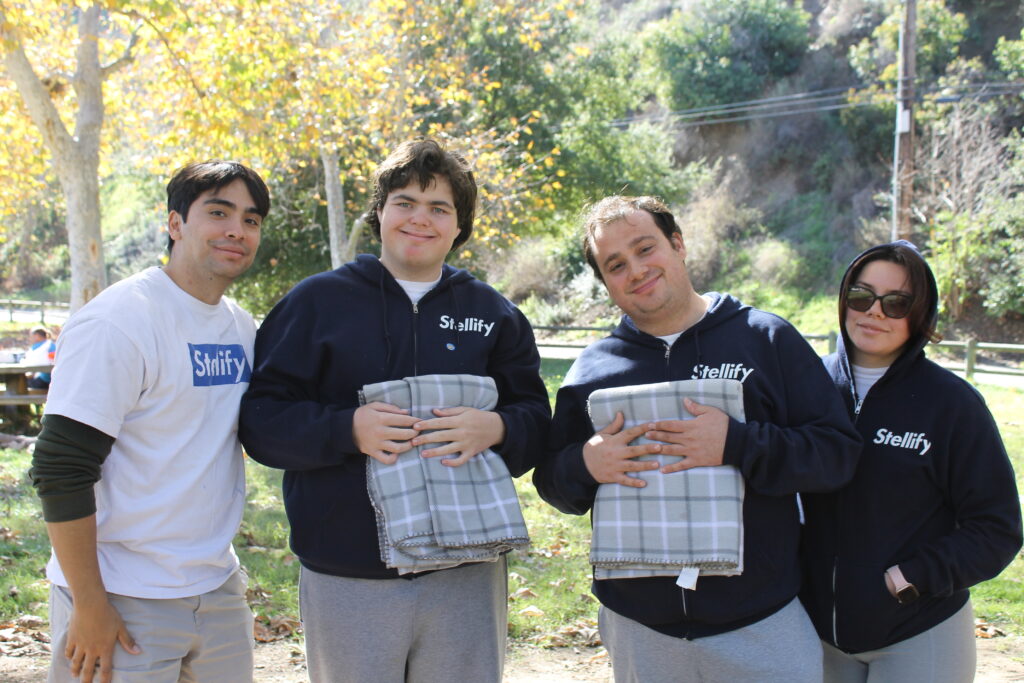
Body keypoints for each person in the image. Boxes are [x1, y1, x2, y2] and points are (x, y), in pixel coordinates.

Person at [239, 138, 550, 683]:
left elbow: (537, 421)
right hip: (348, 571)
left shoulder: (494, 314)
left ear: (460, 226)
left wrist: (496, 426)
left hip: (467, 572)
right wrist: (345, 429)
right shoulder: (315, 304)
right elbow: (261, 422)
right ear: (380, 211)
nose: (419, 219)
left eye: (439, 208)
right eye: (404, 201)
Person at [532, 195, 862, 682]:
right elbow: (551, 483)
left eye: (646, 249)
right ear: (606, 283)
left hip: (760, 622)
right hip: (641, 630)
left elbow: (837, 455)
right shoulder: (592, 371)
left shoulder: (766, 339)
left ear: (678, 244)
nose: (636, 270)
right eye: (615, 265)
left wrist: (737, 444)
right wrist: (586, 464)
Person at [30, 161, 270, 683]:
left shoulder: (241, 327)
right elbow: (60, 466)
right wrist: (90, 606)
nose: (237, 229)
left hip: (216, 590)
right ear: (175, 223)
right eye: (218, 212)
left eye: (251, 220)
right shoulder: (120, 322)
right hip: (121, 595)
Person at [800, 241, 1022, 682]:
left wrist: (909, 578)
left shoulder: (953, 405)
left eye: (897, 303)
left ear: (921, 314)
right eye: (862, 297)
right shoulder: (807, 390)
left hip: (919, 631)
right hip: (817, 635)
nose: (875, 312)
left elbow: (997, 528)